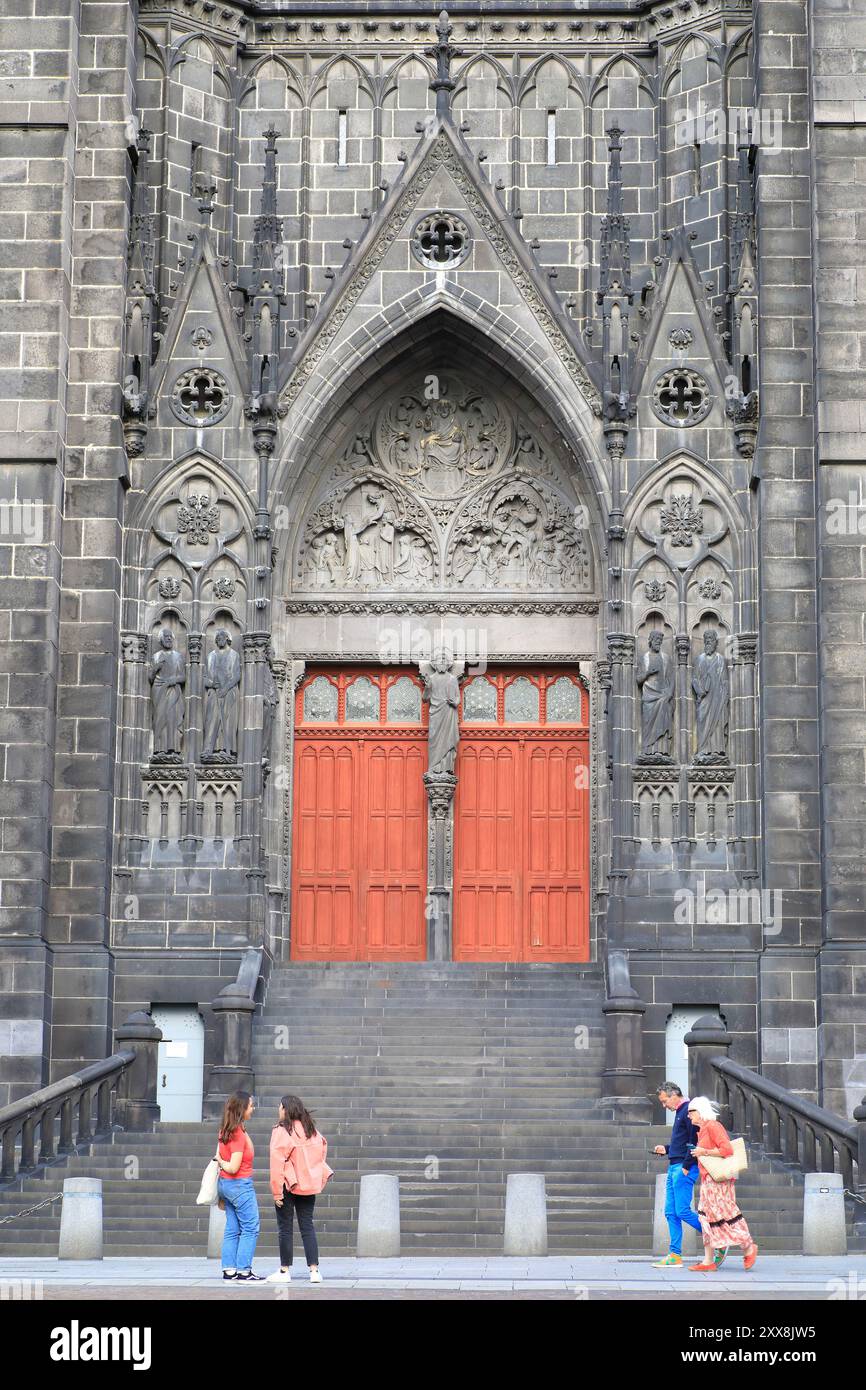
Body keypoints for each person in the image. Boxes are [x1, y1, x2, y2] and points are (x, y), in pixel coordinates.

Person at [687, 1095, 758, 1273]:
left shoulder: (713, 1125)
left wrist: (704, 1151)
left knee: (726, 1213)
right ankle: (708, 1260)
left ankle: (748, 1246)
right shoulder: (703, 1129)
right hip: (708, 1179)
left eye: (691, 1112)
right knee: (705, 1217)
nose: (689, 1115)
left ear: (700, 1111)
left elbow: (727, 1149)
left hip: (718, 1180)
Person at [267, 1094, 333, 1285]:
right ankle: (314, 1270)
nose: (278, 1110)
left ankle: (284, 1270)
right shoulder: (311, 1129)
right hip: (308, 1184)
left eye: (280, 1106)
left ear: (285, 1109)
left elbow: (276, 1163)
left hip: (288, 1184)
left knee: (285, 1228)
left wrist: (277, 1192)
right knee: (307, 1226)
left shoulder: (282, 1130)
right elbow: (322, 1149)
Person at [651, 1082, 707, 1268]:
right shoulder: (681, 1111)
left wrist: (687, 1165)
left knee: (682, 1210)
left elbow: (694, 1140)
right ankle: (675, 1255)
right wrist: (667, 1149)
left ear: (674, 1095)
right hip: (675, 1165)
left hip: (683, 1167)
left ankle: (716, 1235)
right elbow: (683, 1142)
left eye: (664, 1101)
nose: (664, 1105)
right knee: (670, 1212)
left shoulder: (688, 1110)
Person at [215, 1091, 262, 1283]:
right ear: (242, 1109)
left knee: (232, 1228)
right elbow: (233, 1167)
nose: (253, 1108)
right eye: (250, 1105)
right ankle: (244, 1271)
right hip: (239, 1185)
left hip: (226, 1185)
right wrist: (220, 1161)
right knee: (250, 1227)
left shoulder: (226, 1130)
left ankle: (229, 1270)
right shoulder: (237, 1134)